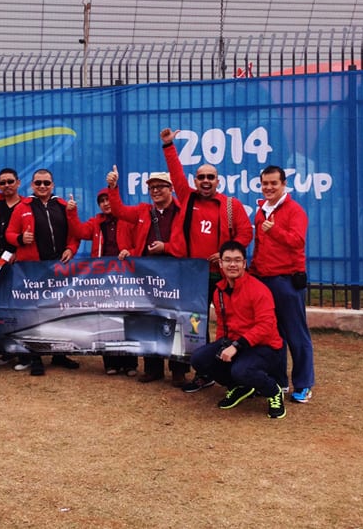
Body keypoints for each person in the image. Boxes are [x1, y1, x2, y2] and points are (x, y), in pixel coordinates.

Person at [160, 127, 253, 393]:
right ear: (195, 180)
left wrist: (225, 253)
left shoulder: (229, 205)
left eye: (210, 177)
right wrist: (168, 146)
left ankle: (233, 371)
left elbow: (246, 233)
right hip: (191, 274)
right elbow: (176, 173)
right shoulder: (187, 197)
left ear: (218, 181)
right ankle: (204, 372)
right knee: (194, 326)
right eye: (201, 177)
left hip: (220, 276)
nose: (205, 181)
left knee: (230, 324)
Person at [106, 165, 190, 387]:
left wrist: (166, 247)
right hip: (147, 273)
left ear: (171, 188)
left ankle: (178, 369)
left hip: (175, 270)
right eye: (151, 187)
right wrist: (112, 188)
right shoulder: (144, 211)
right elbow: (119, 211)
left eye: (160, 187)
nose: (155, 191)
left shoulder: (183, 212)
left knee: (176, 320)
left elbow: (185, 245)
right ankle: (153, 368)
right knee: (148, 318)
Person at [188, 241, 286, 419]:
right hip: (234, 342)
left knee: (241, 370)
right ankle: (239, 387)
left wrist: (236, 346)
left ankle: (273, 391)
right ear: (220, 264)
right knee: (199, 359)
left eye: (237, 260)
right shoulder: (219, 291)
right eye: (227, 260)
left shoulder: (259, 290)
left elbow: (266, 326)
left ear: (244, 264)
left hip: (265, 347)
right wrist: (219, 348)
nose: (232, 264)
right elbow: (222, 325)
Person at [249, 165, 315, 403]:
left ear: (284, 184)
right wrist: (253, 270)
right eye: (265, 183)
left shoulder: (294, 210)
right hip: (264, 279)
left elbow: (297, 242)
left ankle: (304, 384)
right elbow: (260, 246)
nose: (268, 187)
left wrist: (274, 230)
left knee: (296, 334)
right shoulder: (261, 210)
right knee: (273, 335)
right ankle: (279, 380)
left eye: (273, 183)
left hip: (287, 280)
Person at [5, 168, 80, 375]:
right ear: (32, 185)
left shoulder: (65, 206)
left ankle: (59, 354)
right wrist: (21, 240)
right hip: (32, 270)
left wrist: (70, 249)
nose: (42, 187)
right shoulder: (22, 207)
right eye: (38, 183)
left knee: (59, 311)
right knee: (34, 313)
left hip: (58, 267)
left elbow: (76, 234)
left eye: (46, 183)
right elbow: (9, 234)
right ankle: (35, 357)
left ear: (53, 185)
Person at [67, 188, 139, 376]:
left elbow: (139, 243)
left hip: (126, 276)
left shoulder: (128, 219)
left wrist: (130, 251)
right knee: (106, 319)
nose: (106, 203)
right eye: (102, 201)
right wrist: (72, 212)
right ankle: (110, 363)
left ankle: (130, 363)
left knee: (127, 318)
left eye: (108, 199)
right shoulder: (96, 222)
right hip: (102, 278)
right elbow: (79, 231)